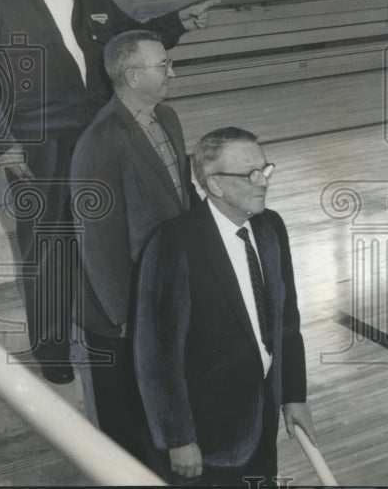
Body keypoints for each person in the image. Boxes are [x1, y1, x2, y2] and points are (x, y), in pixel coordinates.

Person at [0, 0, 217, 384]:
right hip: (38, 147)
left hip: (99, 134)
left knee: (109, 234)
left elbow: (126, 39)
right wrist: (4, 144)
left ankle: (111, 322)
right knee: (48, 246)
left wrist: (179, 23)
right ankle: (53, 348)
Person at [135, 127, 317, 486]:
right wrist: (179, 438)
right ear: (214, 185)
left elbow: (286, 321)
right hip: (206, 435)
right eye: (250, 174)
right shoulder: (173, 243)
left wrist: (293, 395)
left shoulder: (271, 227)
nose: (263, 182)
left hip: (261, 416)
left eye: (265, 170)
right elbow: (156, 354)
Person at [71, 29, 198, 463]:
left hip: (164, 293)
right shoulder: (100, 141)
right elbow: (96, 241)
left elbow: (183, 196)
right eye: (162, 65)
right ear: (129, 75)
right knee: (130, 434)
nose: (172, 72)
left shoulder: (169, 119)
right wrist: (124, 314)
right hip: (124, 312)